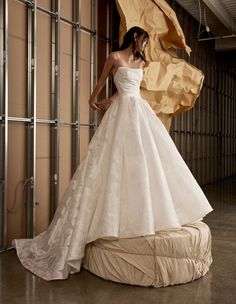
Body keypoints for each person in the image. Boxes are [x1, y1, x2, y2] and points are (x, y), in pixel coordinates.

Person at [12, 26, 213, 281]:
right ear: (135, 37)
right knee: (113, 163)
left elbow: (128, 91)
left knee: (142, 160)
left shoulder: (140, 62)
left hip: (137, 111)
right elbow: (101, 82)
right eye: (143, 40)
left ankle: (145, 214)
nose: (144, 46)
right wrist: (94, 100)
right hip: (120, 116)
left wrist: (111, 100)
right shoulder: (115, 57)